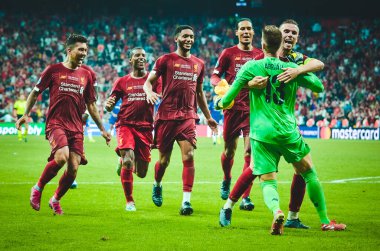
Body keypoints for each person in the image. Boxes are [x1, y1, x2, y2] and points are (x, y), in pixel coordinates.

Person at [216, 25, 346, 234]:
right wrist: (298, 72)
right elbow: (319, 87)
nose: (291, 36)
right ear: (279, 42)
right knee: (309, 173)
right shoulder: (291, 67)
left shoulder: (252, 65)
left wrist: (221, 100)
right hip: (287, 131)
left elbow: (227, 99)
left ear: (263, 44)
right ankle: (324, 221)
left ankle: (277, 212)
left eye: (295, 33)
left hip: (261, 132)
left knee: (266, 179)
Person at [16, 34, 111, 215]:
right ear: (69, 50)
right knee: (61, 157)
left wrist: (102, 129)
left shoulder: (87, 74)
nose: (84, 53)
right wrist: (25, 115)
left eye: (85, 50)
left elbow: (91, 104)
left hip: (76, 127)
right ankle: (38, 188)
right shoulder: (53, 70)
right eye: (80, 49)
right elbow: (35, 93)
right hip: (56, 122)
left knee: (73, 169)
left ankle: (55, 199)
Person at [144, 25, 218, 215]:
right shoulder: (165, 60)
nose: (189, 39)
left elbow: (200, 93)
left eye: (192, 36)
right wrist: (149, 91)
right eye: (185, 36)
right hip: (167, 116)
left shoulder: (199, 64)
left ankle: (186, 201)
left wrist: (208, 117)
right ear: (176, 38)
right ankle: (157, 184)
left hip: (187, 116)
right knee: (164, 160)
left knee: (189, 156)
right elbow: (148, 81)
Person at [211, 18, 263, 210]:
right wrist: (221, 85)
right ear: (237, 32)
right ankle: (226, 178)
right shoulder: (228, 53)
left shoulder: (260, 54)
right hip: (232, 109)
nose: (246, 32)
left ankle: (245, 197)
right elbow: (215, 75)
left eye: (249, 28)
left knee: (250, 152)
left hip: (254, 110)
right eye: (243, 29)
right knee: (229, 151)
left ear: (253, 32)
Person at [105, 47, 157, 211]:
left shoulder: (154, 79)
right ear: (130, 60)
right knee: (129, 160)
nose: (141, 57)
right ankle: (129, 202)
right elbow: (112, 99)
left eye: (143, 55)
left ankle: (122, 159)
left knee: (141, 173)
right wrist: (109, 104)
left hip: (145, 128)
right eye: (137, 55)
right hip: (125, 124)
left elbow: (163, 95)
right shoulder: (122, 81)